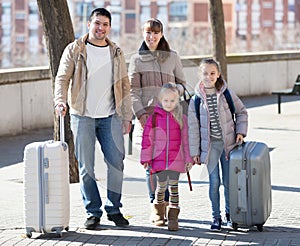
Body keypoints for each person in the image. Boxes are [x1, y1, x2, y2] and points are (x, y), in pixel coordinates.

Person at [54, 8, 132, 230]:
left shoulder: (116, 51)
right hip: (82, 116)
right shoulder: (75, 49)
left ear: (109, 27)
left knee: (116, 163)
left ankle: (114, 209)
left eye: (105, 24)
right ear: (89, 24)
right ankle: (93, 212)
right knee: (87, 167)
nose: (101, 28)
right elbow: (62, 78)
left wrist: (126, 116)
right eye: (97, 23)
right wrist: (60, 101)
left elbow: (124, 85)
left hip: (110, 116)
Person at [128, 18, 187, 207]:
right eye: (148, 32)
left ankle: (170, 204)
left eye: (155, 33)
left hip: (172, 119)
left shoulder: (173, 57)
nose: (151, 36)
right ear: (142, 33)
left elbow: (183, 85)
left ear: (161, 34)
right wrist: (141, 115)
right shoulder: (136, 60)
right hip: (149, 119)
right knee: (152, 164)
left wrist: (175, 91)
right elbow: (132, 92)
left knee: (170, 160)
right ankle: (156, 204)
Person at [188, 58, 248, 231]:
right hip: (211, 148)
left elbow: (242, 112)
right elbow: (193, 128)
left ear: (218, 74)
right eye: (205, 73)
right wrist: (195, 152)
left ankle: (231, 215)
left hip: (229, 146)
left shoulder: (226, 93)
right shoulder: (196, 99)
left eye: (212, 73)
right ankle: (216, 217)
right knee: (214, 182)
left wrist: (240, 132)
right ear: (200, 74)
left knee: (229, 182)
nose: (209, 76)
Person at [140, 83, 193, 231]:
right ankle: (158, 213)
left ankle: (173, 217)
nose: (169, 104)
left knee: (174, 188)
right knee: (161, 187)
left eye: (172, 101)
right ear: (160, 100)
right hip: (159, 160)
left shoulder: (182, 118)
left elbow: (186, 141)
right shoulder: (154, 119)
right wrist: (146, 158)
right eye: (166, 101)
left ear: (177, 101)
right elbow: (147, 139)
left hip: (176, 160)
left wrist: (189, 159)